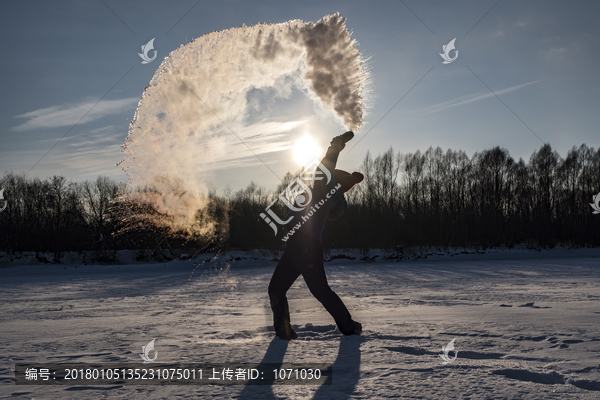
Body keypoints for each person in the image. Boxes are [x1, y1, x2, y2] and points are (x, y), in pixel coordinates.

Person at [268, 132, 364, 340]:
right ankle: (284, 333)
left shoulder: (326, 188)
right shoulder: (325, 193)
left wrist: (335, 146)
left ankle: (350, 327)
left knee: (320, 291)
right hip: (297, 245)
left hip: (306, 247)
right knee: (276, 289)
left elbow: (325, 168)